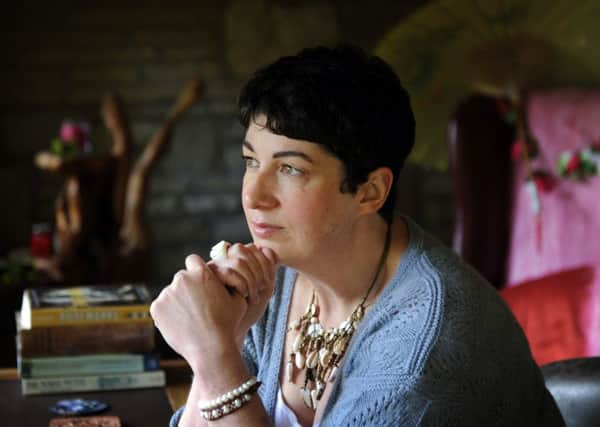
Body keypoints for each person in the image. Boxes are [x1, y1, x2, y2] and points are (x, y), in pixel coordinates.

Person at [150, 45, 564, 427]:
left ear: (369, 192)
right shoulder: (277, 278)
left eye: (290, 168)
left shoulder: (420, 356)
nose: (253, 196)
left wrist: (213, 354)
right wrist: (228, 336)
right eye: (251, 161)